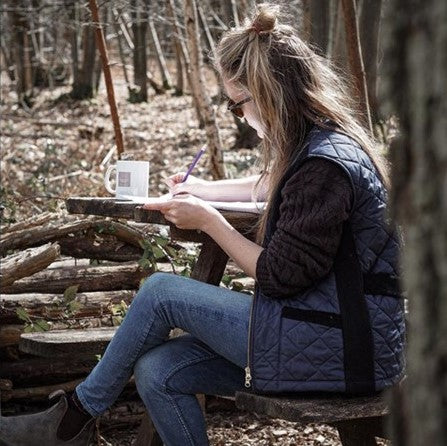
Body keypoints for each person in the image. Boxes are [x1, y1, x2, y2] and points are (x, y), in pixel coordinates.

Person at [0, 3, 406, 446]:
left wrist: (210, 222)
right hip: (331, 335)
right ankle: (72, 424)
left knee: (160, 292)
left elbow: (279, 276)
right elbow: (273, 183)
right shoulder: (323, 144)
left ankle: (70, 422)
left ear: (268, 91)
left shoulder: (324, 164)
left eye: (238, 105)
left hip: (342, 348)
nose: (241, 117)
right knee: (159, 369)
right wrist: (202, 189)